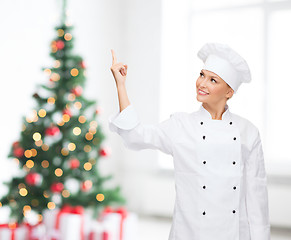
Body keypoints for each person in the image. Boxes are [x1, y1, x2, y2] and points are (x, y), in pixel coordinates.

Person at [108, 42, 270, 240]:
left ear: (229, 92)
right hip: (190, 233)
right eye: (201, 75)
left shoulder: (248, 132)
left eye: (213, 80)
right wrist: (121, 86)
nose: (202, 83)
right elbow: (135, 136)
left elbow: (257, 197)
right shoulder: (181, 125)